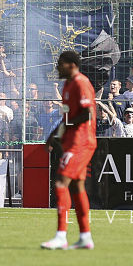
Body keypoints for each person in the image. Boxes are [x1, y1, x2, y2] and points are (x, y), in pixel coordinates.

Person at [42, 50, 96, 251]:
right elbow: (66, 115)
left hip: (81, 142)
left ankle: (61, 236)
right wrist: (54, 134)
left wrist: (66, 127)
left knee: (60, 182)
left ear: (71, 65)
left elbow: (88, 114)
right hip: (73, 141)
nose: (57, 67)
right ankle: (85, 237)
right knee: (76, 187)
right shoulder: (67, 85)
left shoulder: (81, 83)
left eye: (60, 63)